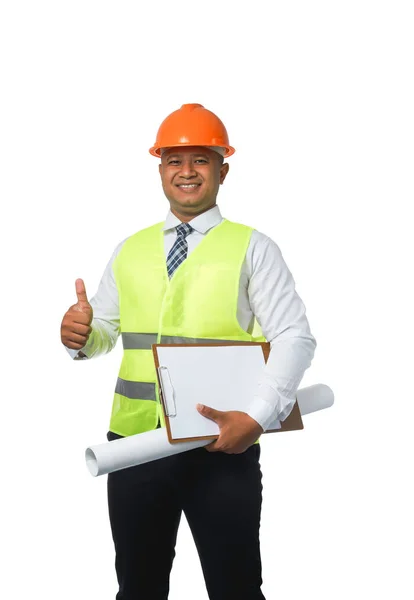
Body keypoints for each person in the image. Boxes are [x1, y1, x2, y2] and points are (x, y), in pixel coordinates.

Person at [60, 103, 317, 600]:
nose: (186, 171)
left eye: (200, 159)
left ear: (223, 168)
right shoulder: (129, 249)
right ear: (160, 169)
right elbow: (107, 332)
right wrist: (81, 336)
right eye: (175, 160)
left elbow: (294, 337)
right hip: (134, 444)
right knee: (137, 587)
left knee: (235, 588)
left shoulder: (252, 248)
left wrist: (258, 417)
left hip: (222, 443)